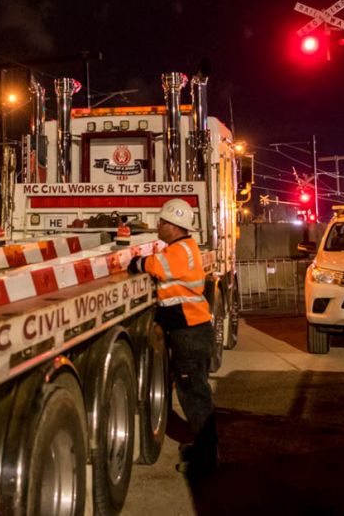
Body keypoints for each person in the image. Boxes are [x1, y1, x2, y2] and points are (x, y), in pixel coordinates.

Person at [128, 198, 218, 478]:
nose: (158, 225)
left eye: (162, 222)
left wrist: (137, 262)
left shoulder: (179, 252)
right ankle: (204, 447)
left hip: (190, 333)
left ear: (174, 226)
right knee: (196, 393)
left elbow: (156, 266)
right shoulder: (183, 248)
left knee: (194, 395)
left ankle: (207, 459)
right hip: (193, 329)